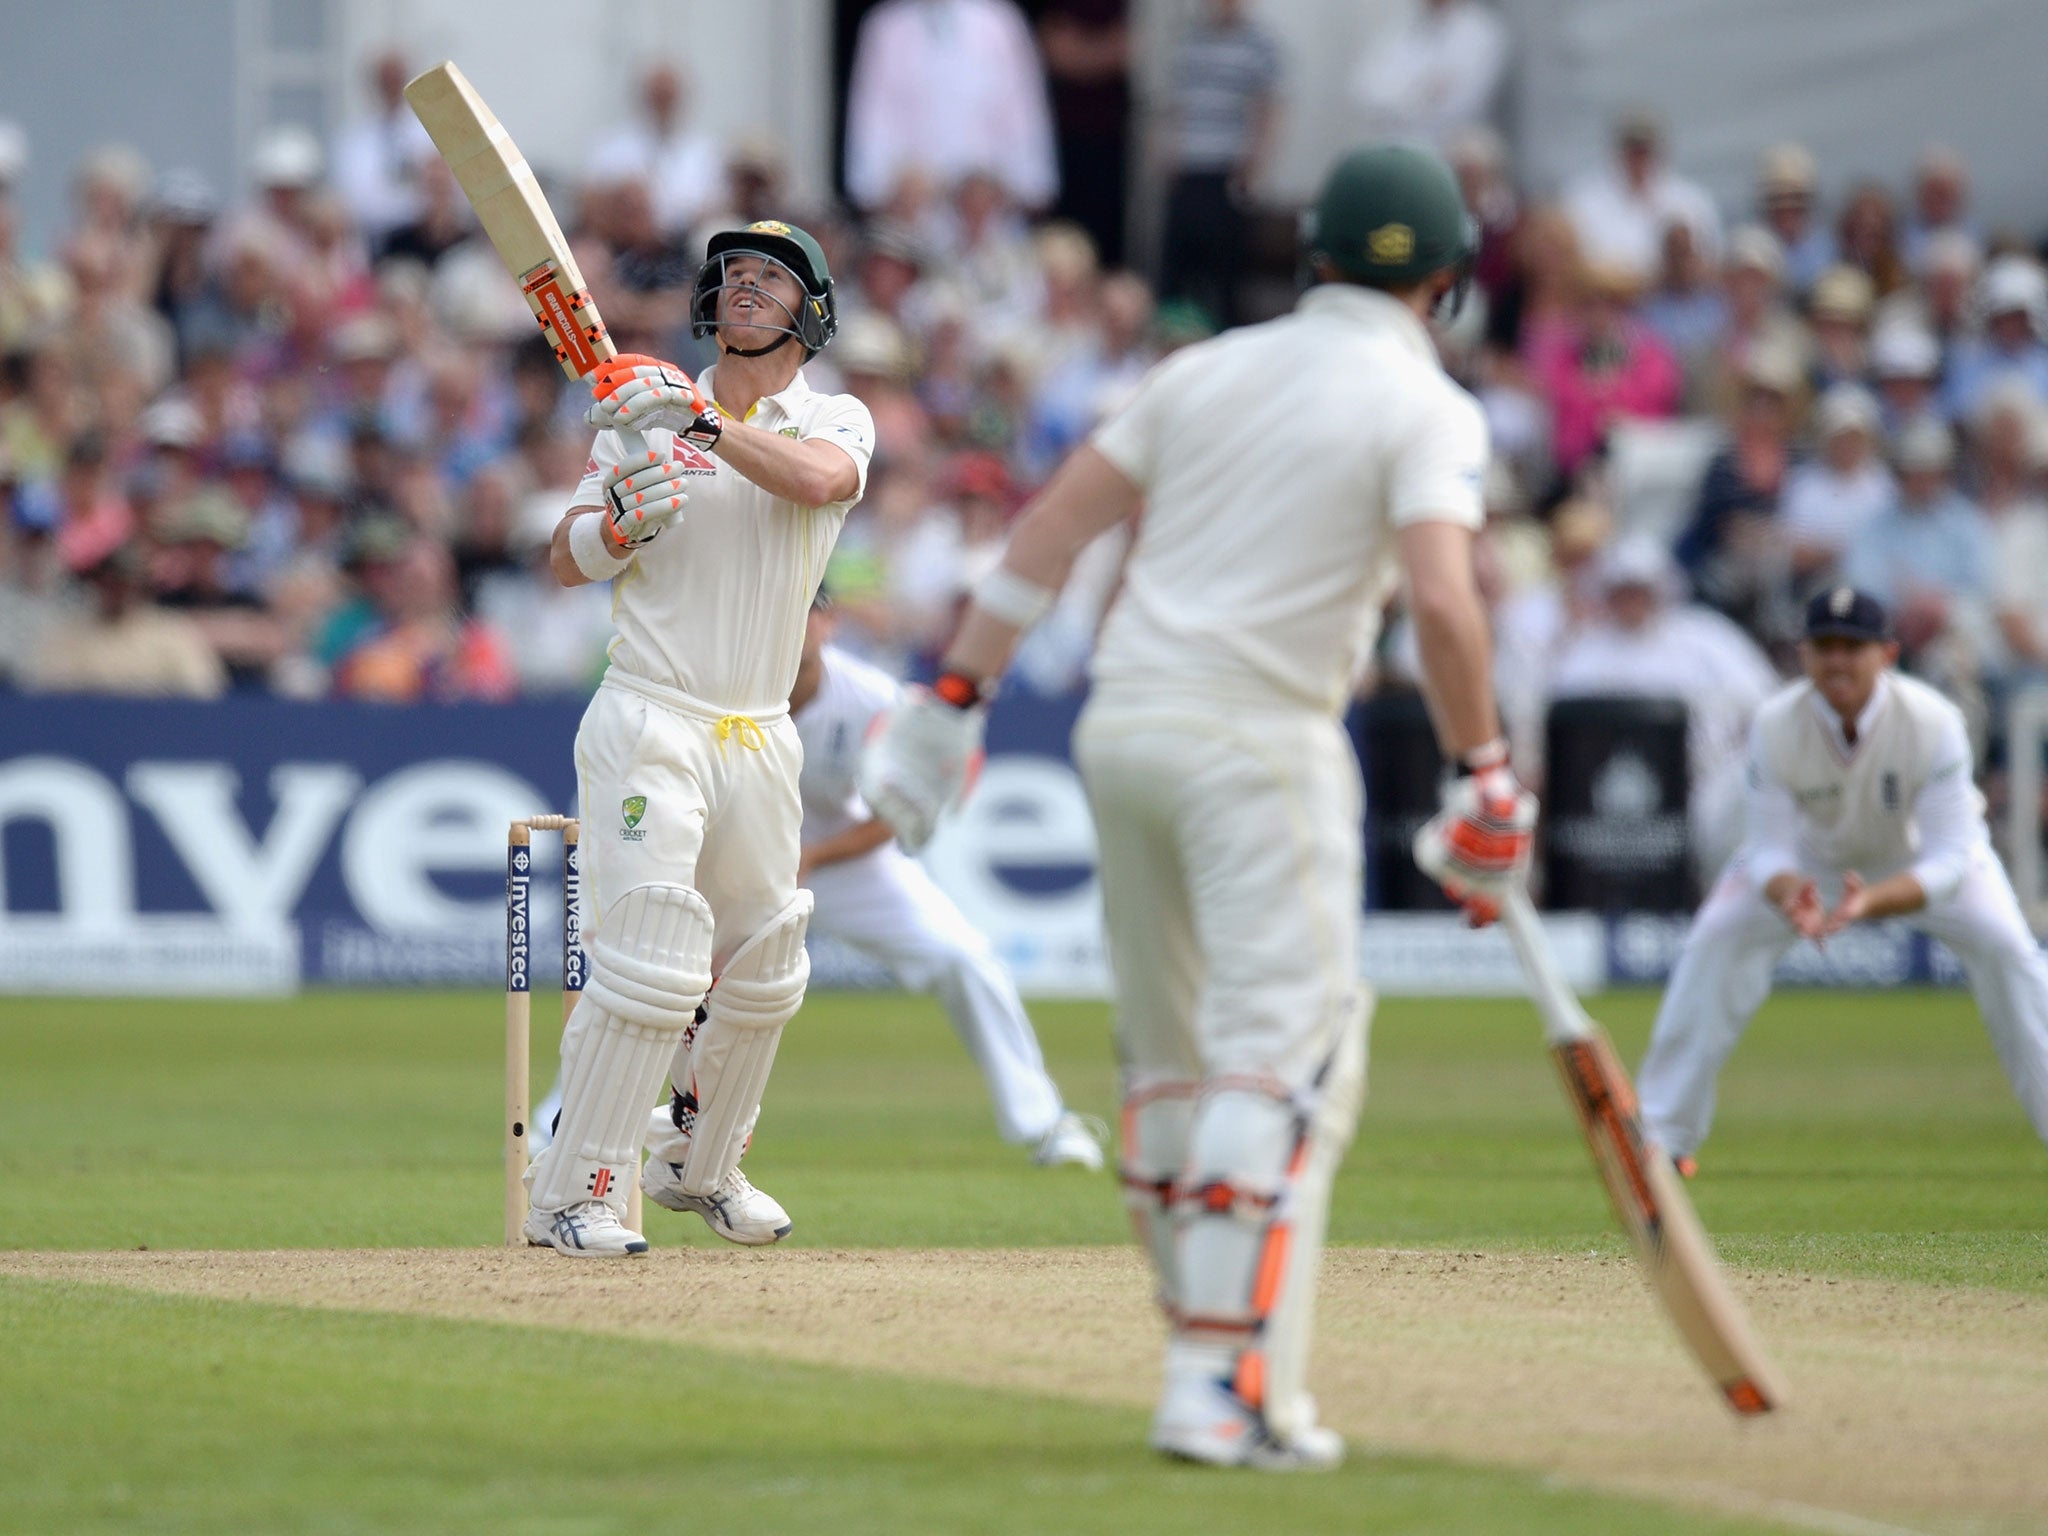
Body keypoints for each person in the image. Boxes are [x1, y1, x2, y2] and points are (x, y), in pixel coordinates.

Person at [860, 143, 1535, 1468]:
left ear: (1313, 255)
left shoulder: (1203, 369)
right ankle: (1215, 1384)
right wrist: (1488, 777)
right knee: (1281, 1061)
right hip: (1264, 742)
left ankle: (1230, 1372)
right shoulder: (1429, 406)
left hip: (1127, 732)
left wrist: (951, 703)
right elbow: (1447, 605)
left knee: (1170, 1065)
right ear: (1447, 281)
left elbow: (1045, 535)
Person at [521, 219, 875, 1257]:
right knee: (650, 963)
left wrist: (701, 420)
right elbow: (563, 558)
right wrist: (617, 527)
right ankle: (572, 1193)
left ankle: (701, 1166)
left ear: (810, 310)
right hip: (650, 713)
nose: (745, 289)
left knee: (766, 966)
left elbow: (811, 483)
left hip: (761, 733)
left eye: (771, 278)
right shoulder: (634, 419)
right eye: (733, 276)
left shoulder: (838, 418)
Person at [532, 601, 1106, 1169]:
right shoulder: (717, 690)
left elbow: (894, 814)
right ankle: (558, 1127)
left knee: (964, 957)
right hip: (737, 865)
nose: (793, 623)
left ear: (829, 624)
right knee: (653, 977)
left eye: (808, 610)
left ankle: (1046, 1124)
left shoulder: (872, 699)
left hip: (840, 863)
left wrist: (818, 855)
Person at [1638, 587, 2048, 1171]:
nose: (1837, 661)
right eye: (1824, 646)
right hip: (1811, 865)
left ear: (1887, 653)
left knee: (2011, 953)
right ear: (1803, 653)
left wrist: (1871, 902)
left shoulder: (1934, 722)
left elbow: (1953, 859)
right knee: (1716, 940)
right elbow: (1766, 850)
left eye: (1853, 647)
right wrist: (1792, 894)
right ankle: (1661, 1137)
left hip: (1917, 864)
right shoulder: (1777, 723)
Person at [843, 0, 1058, 214]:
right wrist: (878, 184)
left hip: (988, 209)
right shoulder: (886, 27)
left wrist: (1022, 185)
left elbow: (1024, 115)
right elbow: (871, 120)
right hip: (912, 206)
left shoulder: (1001, 22)